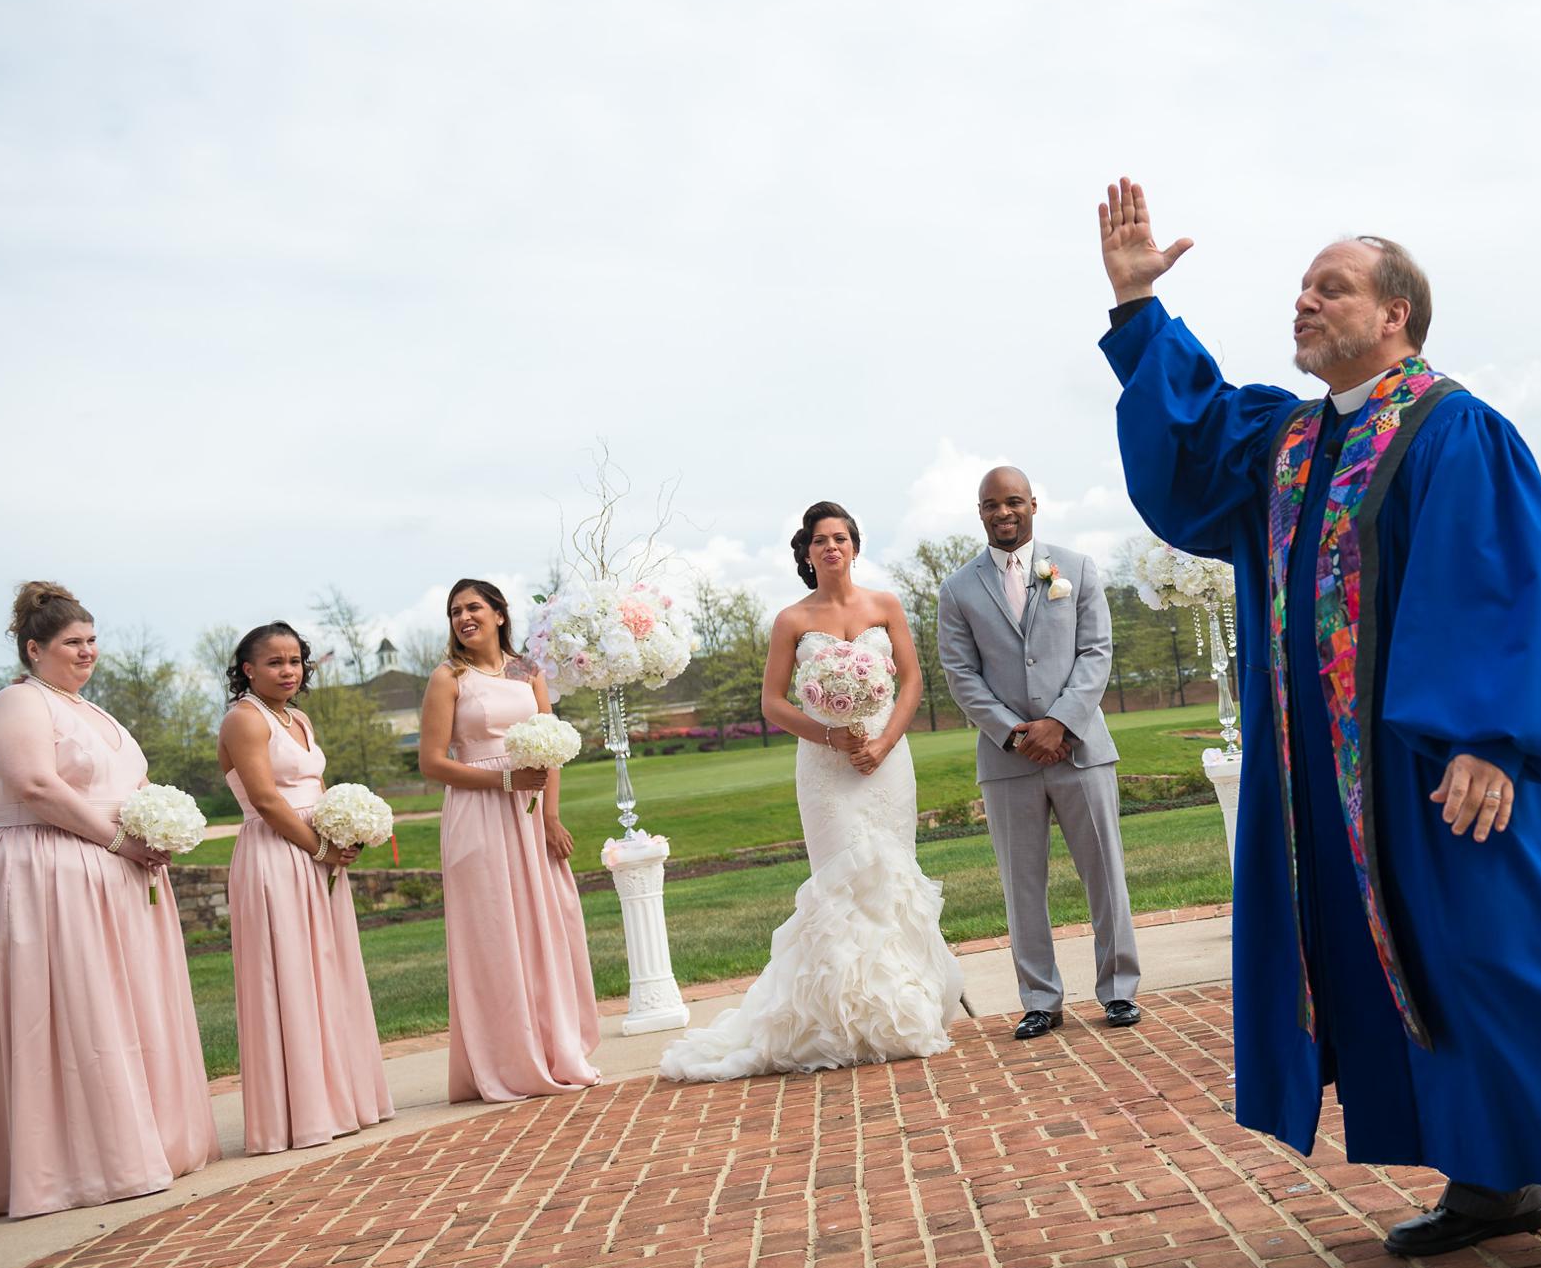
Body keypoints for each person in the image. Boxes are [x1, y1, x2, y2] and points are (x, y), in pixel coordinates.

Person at [1096, 177, 1541, 1264]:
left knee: (1507, 950)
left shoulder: (1456, 433)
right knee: (1400, 962)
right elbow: (1190, 441)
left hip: (1444, 759)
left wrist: (1488, 739)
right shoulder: (1291, 443)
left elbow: (1501, 587)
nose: (1305, 303)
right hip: (1333, 779)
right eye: (1301, 289)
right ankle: (1489, 1182)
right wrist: (1136, 310)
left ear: (1396, 313)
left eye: (1332, 288)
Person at [658, 503, 966, 1082]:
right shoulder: (791, 620)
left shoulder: (885, 605)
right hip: (825, 769)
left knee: (892, 880)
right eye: (820, 540)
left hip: (887, 762)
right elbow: (773, 702)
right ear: (806, 553)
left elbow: (913, 680)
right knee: (842, 884)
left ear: (854, 545)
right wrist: (829, 734)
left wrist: (882, 742)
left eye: (841, 538)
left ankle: (900, 1013)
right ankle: (837, 1021)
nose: (832, 547)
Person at [0, 582, 220, 1221]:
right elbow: (35, 786)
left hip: (110, 874)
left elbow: (133, 781)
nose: (87, 652)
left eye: (93, 640)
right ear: (33, 648)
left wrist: (155, 827)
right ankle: (74, 1163)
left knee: (121, 1007)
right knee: (72, 1009)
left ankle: (144, 1139)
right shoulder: (18, 703)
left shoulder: (92, 711)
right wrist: (120, 839)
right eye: (72, 643)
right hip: (45, 871)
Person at [936, 466, 1141, 1041]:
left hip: (1082, 750)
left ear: (1033, 504)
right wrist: (1016, 732)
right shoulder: (957, 589)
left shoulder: (1075, 569)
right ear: (980, 512)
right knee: (1021, 884)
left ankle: (1119, 989)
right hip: (1008, 759)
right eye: (991, 505)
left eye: (1013, 502)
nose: (1003, 513)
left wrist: (1060, 724)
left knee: (1105, 873)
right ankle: (1039, 999)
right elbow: (961, 675)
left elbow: (1096, 653)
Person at [417, 578, 602, 1102]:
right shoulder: (448, 678)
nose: (463, 618)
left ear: (499, 613)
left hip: (531, 811)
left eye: (473, 607)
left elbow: (552, 746)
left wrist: (551, 817)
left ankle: (554, 1045)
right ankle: (504, 1057)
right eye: (454, 611)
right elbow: (433, 763)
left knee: (546, 925)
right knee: (494, 930)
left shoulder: (528, 671)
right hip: (477, 813)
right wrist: (503, 781)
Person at [218, 622, 393, 1154]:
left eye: (295, 661)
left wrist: (344, 832)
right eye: (275, 662)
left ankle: (342, 1098)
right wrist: (318, 848)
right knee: (290, 974)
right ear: (248, 669)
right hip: (277, 855)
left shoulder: (299, 718)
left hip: (319, 856)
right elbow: (267, 800)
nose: (288, 670)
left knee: (328, 970)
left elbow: (314, 786)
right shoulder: (244, 720)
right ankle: (298, 1113)